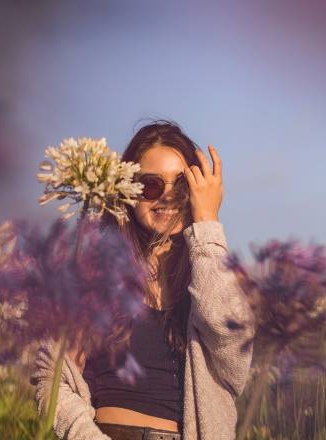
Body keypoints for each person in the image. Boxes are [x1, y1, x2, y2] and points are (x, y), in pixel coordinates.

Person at [31, 120, 255, 440]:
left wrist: (207, 223)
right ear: (128, 191)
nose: (166, 196)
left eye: (180, 185)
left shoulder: (214, 273)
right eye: (150, 185)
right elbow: (50, 378)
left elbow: (233, 360)